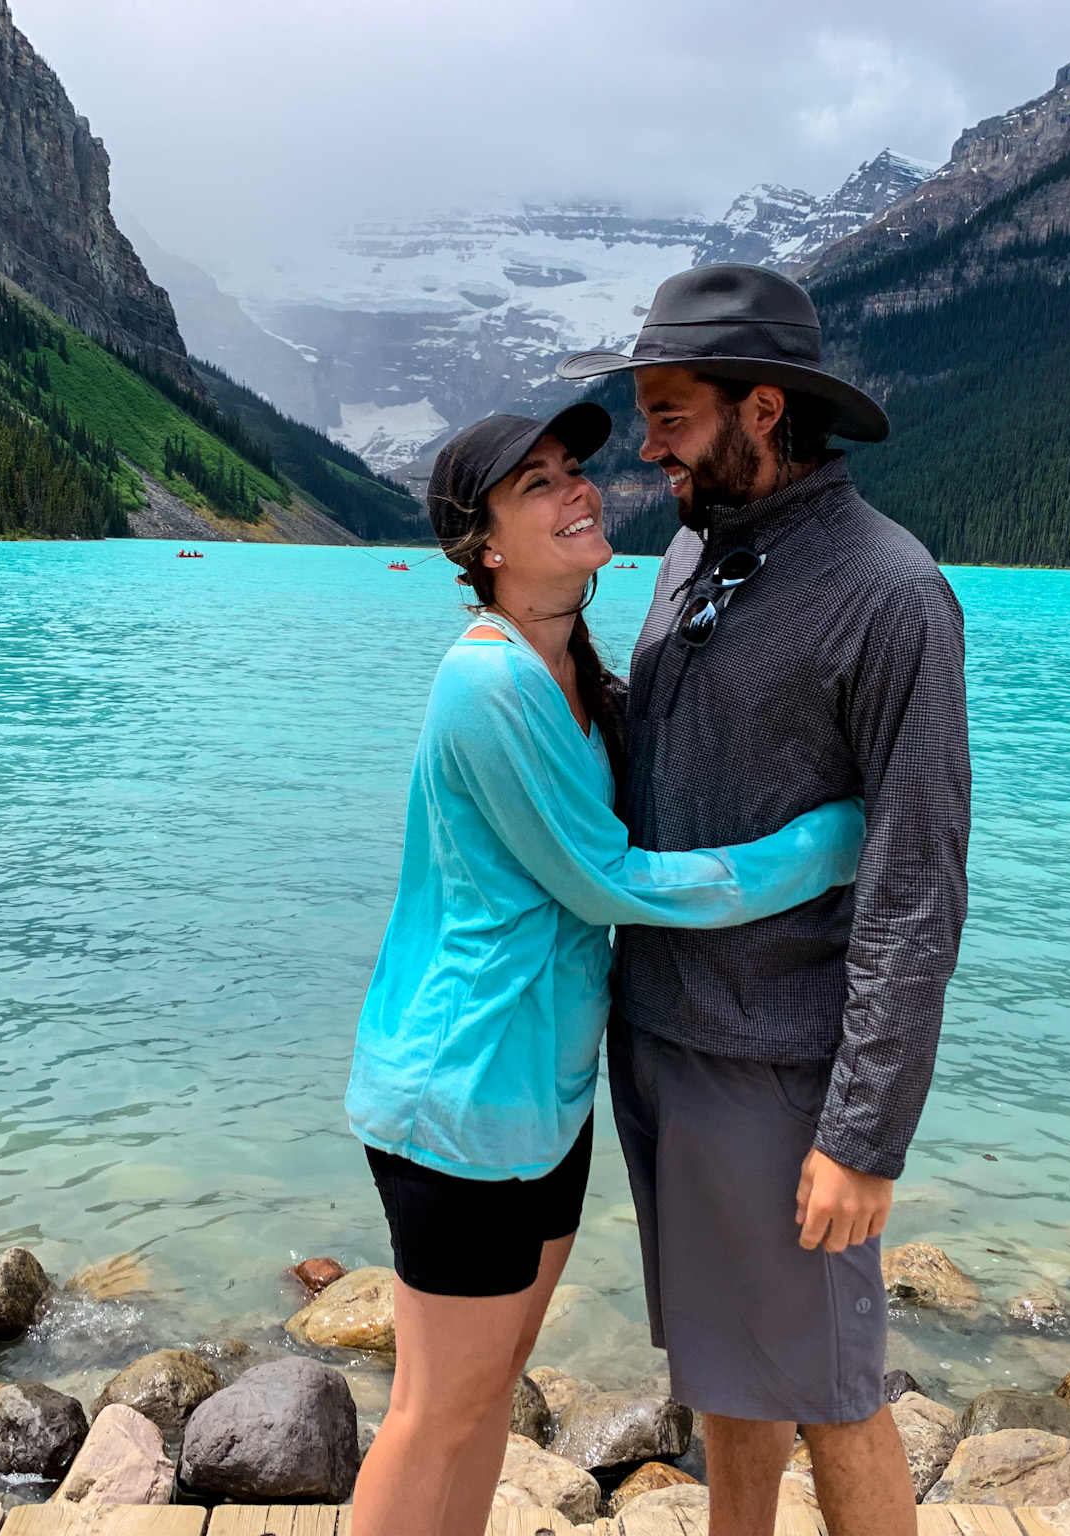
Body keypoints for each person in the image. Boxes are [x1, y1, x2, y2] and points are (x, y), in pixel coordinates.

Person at [345, 403, 867, 1536]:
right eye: (535, 484)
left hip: (538, 1100)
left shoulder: (567, 667)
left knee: (485, 1391)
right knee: (437, 1405)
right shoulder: (487, 685)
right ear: (482, 546)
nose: (578, 489)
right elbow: (610, 883)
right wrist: (823, 844)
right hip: (461, 1098)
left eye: (573, 469)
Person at [557, 264, 970, 1536]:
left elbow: (915, 883)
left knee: (835, 1390)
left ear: (766, 410)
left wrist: (863, 1134)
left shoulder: (891, 594)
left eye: (671, 412)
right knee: (728, 1373)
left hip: (784, 1068)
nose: (646, 443)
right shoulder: (691, 548)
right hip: (665, 1038)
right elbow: (674, 759)